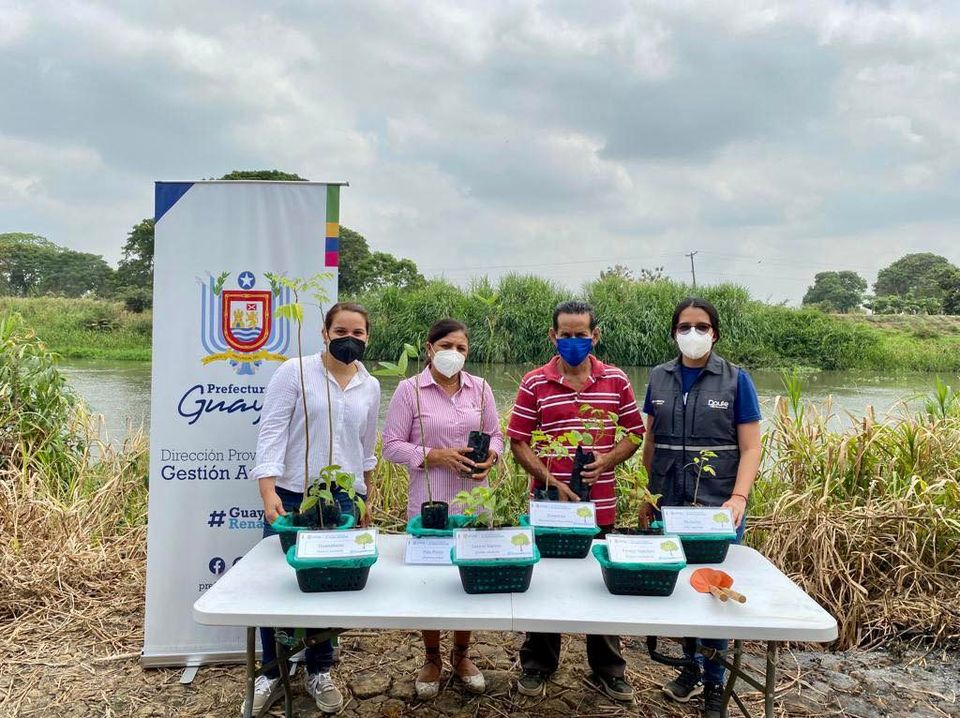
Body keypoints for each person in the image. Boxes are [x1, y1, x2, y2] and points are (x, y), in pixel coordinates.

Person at [246, 302, 381, 716]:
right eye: (341, 331)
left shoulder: (370, 385)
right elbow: (272, 431)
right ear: (324, 333)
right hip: (293, 497)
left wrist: (365, 494)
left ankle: (319, 669)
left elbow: (365, 446)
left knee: (328, 584)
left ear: (367, 338)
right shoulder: (296, 372)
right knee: (278, 585)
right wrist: (267, 490)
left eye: (358, 333)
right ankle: (271, 671)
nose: (349, 339)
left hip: (341, 499)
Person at [507, 300, 644, 702]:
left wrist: (606, 461)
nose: (572, 341)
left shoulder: (616, 380)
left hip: (600, 505)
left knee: (601, 583)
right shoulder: (534, 382)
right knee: (544, 584)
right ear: (553, 336)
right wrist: (552, 480)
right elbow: (518, 441)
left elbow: (634, 433)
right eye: (564, 335)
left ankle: (609, 668)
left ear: (594, 336)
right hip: (550, 505)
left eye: (580, 334)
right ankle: (538, 663)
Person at [642, 297, 762, 718]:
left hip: (717, 507)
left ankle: (714, 682)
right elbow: (651, 441)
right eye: (684, 326)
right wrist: (647, 496)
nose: (692, 334)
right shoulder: (658, 377)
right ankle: (690, 666)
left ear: (715, 333)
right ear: (674, 332)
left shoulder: (736, 380)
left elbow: (751, 448)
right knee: (680, 586)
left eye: (701, 326)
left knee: (714, 594)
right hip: (669, 504)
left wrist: (738, 498)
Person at [382, 318, 503, 699]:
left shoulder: (481, 388)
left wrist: (493, 457)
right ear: (430, 348)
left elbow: (496, 435)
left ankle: (462, 654)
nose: (454, 354)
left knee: (468, 578)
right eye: (447, 346)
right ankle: (432, 657)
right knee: (431, 583)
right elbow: (390, 446)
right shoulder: (409, 390)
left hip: (474, 501)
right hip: (429, 502)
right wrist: (434, 455)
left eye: (461, 348)